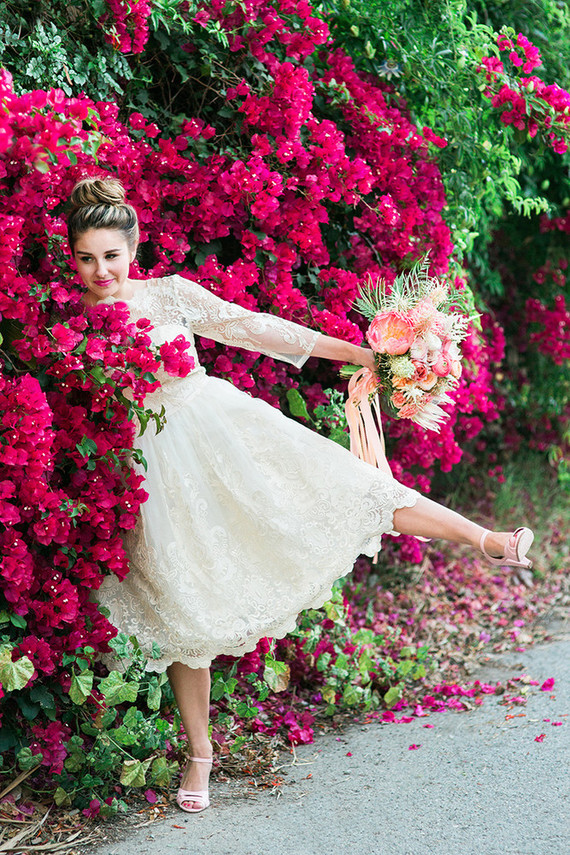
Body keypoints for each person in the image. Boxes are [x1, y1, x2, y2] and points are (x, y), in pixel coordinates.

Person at [67, 177, 534, 814]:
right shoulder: (66, 322)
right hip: (147, 470)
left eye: (112, 255)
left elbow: (253, 328)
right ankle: (199, 753)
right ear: (72, 256)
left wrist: (360, 353)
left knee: (348, 487)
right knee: (187, 607)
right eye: (87, 257)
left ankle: (488, 540)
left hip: (219, 432)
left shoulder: (169, 296)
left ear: (134, 246)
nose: (102, 271)